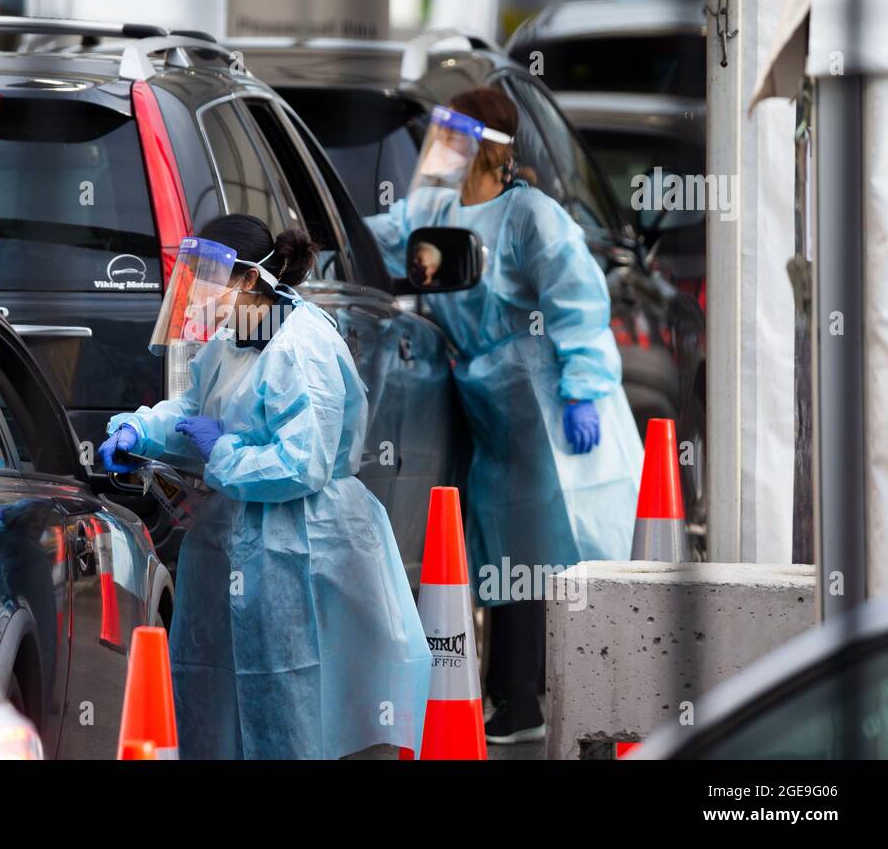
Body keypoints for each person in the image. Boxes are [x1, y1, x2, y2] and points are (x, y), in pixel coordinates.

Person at [98, 215, 432, 759]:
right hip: (236, 537)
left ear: (250, 279)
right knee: (219, 684)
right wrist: (143, 430)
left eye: (210, 275)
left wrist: (221, 452)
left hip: (301, 543)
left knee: (291, 690)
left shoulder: (300, 348)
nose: (200, 289)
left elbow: (304, 464)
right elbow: (195, 409)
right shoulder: (237, 336)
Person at [367, 87, 642, 745]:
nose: (443, 148)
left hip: (549, 403)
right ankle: (515, 698)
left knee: (567, 544)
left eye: (455, 135)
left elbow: (578, 300)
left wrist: (583, 385)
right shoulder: (434, 205)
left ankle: (561, 700)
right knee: (511, 546)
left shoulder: (532, 216)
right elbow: (377, 244)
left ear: (487, 146)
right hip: (494, 401)